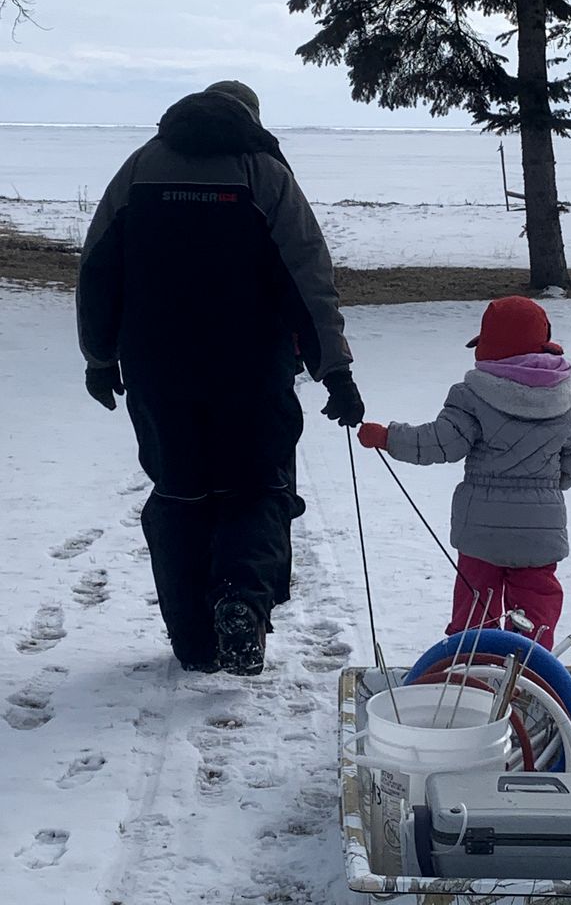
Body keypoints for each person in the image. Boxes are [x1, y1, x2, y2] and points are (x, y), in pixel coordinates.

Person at [77, 81, 364, 675]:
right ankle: (241, 600)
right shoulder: (265, 174)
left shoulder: (138, 170)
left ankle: (191, 641)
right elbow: (309, 275)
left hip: (158, 370)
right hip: (251, 369)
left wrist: (100, 357)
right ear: (250, 119)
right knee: (257, 488)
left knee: (179, 491)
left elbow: (98, 268)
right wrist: (334, 370)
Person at [357, 296, 571, 650]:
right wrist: (546, 488)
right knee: (536, 607)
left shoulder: (473, 395)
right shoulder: (561, 397)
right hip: (541, 532)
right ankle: (530, 668)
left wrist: (388, 438)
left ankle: (470, 667)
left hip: (481, 531)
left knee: (475, 606)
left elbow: (441, 442)